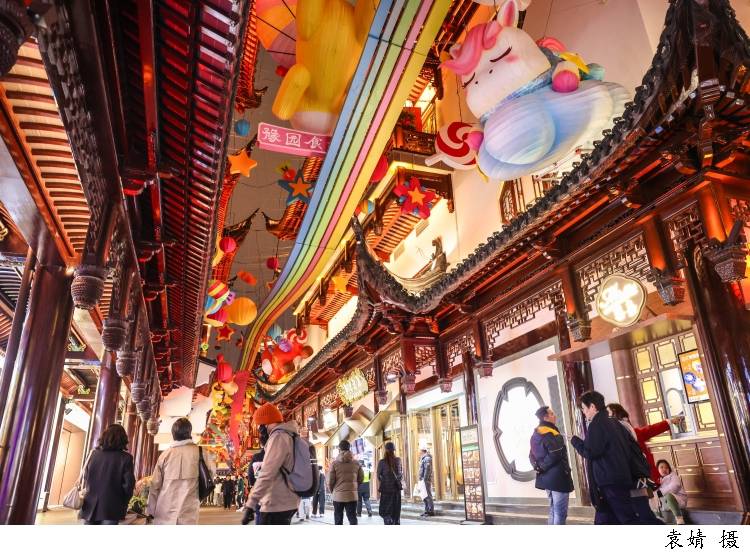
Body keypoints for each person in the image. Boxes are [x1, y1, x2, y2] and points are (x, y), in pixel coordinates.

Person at [570, 391, 639, 525]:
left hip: (610, 481)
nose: (583, 412)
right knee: (608, 518)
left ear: (592, 406)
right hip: (620, 476)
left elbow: (590, 452)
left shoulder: (597, 425)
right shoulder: (614, 422)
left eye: (584, 408)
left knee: (626, 518)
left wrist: (575, 441)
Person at [607, 403, 682, 524]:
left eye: (608, 413)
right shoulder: (615, 434)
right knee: (643, 510)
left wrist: (668, 422)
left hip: (638, 478)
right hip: (631, 479)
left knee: (645, 509)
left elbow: (650, 429)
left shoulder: (631, 432)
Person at [147, 417, 214, 524]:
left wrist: (150, 511)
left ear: (173, 434)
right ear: (189, 432)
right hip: (189, 509)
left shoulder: (165, 455)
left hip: (164, 511)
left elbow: (155, 485)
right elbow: (210, 474)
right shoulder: (201, 452)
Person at [242, 403, 300, 525]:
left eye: (260, 425)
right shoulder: (291, 435)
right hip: (288, 500)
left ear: (266, 423)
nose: (260, 429)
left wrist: (251, 504)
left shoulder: (278, 437)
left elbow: (267, 473)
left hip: (275, 503)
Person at [79, 424, 135, 525]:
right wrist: (124, 502)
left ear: (104, 436)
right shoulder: (126, 458)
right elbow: (128, 485)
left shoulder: (92, 454)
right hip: (112, 507)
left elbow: (86, 476)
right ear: (123, 439)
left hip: (90, 505)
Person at [529, 406, 574, 524]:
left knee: (553, 510)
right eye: (552, 414)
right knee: (560, 513)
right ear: (545, 418)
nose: (555, 416)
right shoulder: (551, 433)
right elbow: (555, 454)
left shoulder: (535, 434)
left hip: (546, 479)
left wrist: (538, 467)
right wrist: (542, 467)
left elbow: (531, 455)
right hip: (558, 479)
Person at [327, 439, 363, 525]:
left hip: (338, 495)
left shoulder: (334, 463)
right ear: (349, 448)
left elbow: (330, 480)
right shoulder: (356, 463)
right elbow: (361, 478)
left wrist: (332, 491)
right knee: (352, 517)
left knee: (338, 518)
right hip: (352, 495)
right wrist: (354, 487)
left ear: (339, 449)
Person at [377, 441, 403, 525]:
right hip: (396, 490)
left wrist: (384, 481)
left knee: (385, 511)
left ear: (386, 450)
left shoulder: (382, 462)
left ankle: (389, 522)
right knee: (396, 510)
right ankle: (396, 522)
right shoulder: (398, 460)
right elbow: (400, 474)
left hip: (386, 491)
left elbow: (378, 476)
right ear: (394, 450)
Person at [247, 424, 268, 524]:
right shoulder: (278, 454)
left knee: (259, 515)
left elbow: (250, 474)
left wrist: (253, 484)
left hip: (260, 492)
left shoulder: (256, 457)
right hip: (276, 494)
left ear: (261, 444)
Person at [655, 459, 687, 524]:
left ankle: (679, 519)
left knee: (668, 495)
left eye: (666, 467)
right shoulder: (657, 480)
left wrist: (660, 493)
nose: (664, 469)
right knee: (652, 497)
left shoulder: (673, 476)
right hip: (665, 503)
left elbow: (675, 486)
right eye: (661, 467)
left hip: (678, 500)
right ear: (657, 469)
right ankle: (659, 518)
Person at [418, 448, 435, 517]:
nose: (419, 452)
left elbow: (427, 469)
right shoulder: (423, 458)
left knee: (428, 495)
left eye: (420, 451)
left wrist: (424, 479)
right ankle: (427, 510)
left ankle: (431, 511)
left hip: (425, 480)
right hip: (423, 480)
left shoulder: (427, 458)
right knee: (424, 496)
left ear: (422, 451)